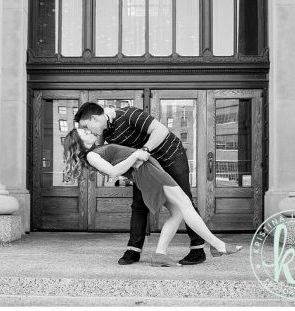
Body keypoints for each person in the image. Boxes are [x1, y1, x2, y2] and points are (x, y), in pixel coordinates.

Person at [63, 128, 243, 267]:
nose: (89, 131)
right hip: (147, 173)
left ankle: (160, 254)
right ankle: (217, 244)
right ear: (79, 143)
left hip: (148, 171)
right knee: (185, 204)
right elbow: (113, 172)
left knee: (179, 212)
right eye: (84, 132)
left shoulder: (97, 149)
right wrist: (135, 155)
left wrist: (135, 156)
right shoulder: (92, 155)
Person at [74, 102, 205, 265]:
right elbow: (104, 152)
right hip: (145, 165)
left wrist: (144, 150)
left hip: (170, 156)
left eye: (87, 126)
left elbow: (161, 130)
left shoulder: (129, 114)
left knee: (185, 201)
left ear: (94, 118)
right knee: (139, 203)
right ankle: (133, 250)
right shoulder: (105, 130)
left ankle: (198, 249)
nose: (88, 131)